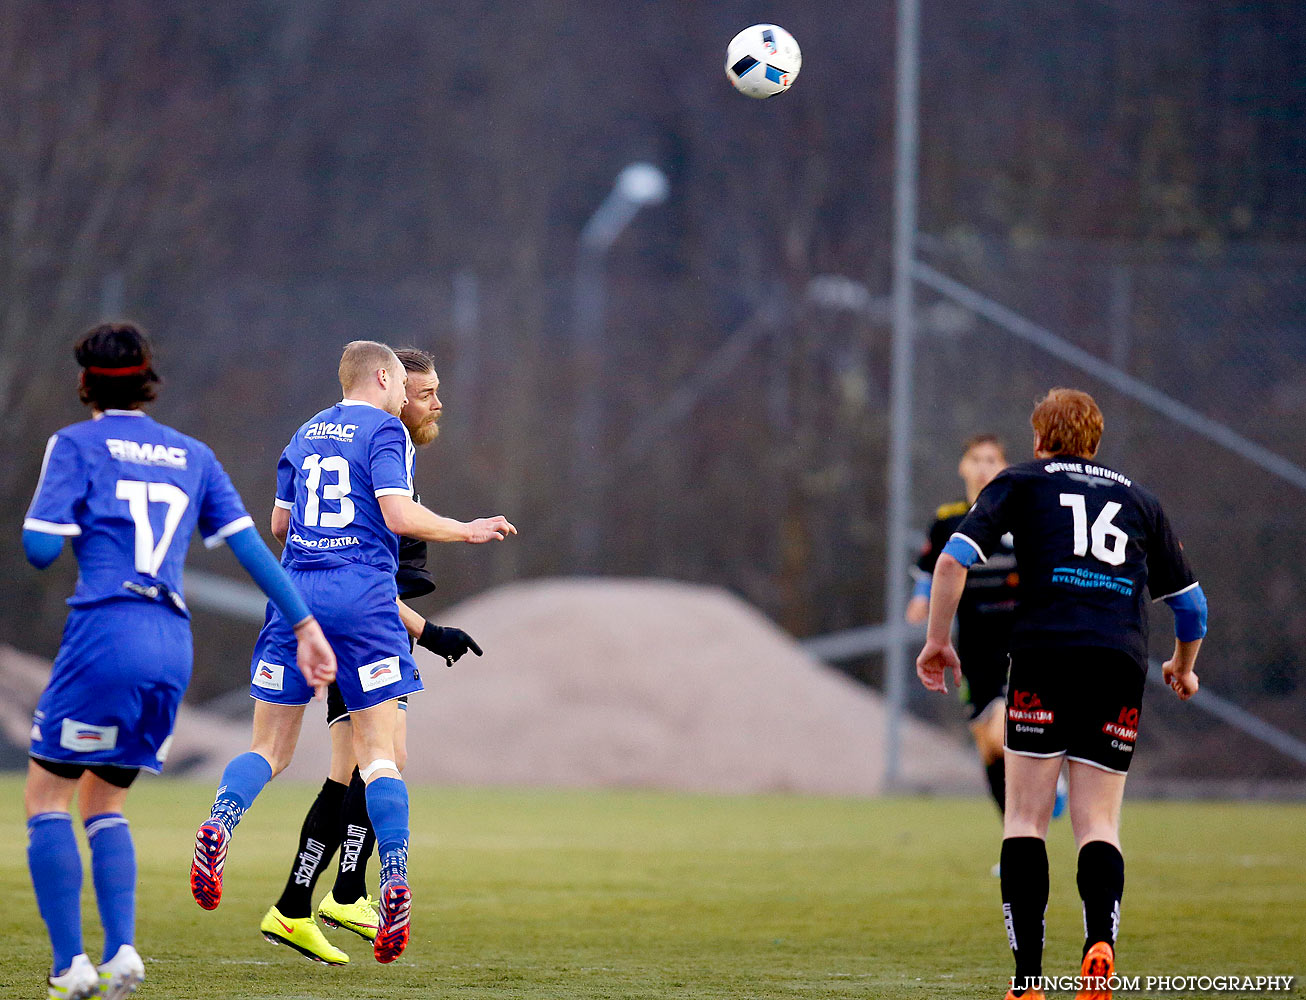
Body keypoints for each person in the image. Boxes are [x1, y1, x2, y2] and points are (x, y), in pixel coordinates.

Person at [21, 324, 336, 1000]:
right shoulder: (193, 454)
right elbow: (253, 549)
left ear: (85, 384)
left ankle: (70, 965)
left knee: (47, 795)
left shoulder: (76, 444)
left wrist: (76, 515)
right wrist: (306, 626)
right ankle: (125, 953)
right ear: (148, 381)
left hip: (105, 631)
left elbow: (39, 548)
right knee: (105, 800)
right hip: (170, 645)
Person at [190, 340, 515, 965]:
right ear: (386, 377)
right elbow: (397, 514)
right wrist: (469, 529)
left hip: (295, 596)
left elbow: (280, 527)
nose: (418, 403)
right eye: (414, 390)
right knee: (381, 758)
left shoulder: (304, 431)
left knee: (269, 749)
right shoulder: (384, 432)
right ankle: (387, 879)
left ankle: (221, 825)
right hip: (363, 602)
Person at [914, 388, 1206, 1000]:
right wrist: (1182, 666)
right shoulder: (1139, 499)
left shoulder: (1021, 481)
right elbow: (1192, 605)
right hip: (1117, 661)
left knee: (1023, 819)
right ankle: (1100, 942)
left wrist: (939, 641)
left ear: (1039, 438)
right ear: (1095, 440)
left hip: (1044, 657)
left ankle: (1027, 980)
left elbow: (949, 564)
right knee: (1098, 821)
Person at [259, 347, 483, 965]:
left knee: (362, 765)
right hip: (354, 625)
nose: (437, 403)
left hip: (346, 615)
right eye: (427, 392)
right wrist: (427, 630)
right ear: (393, 392)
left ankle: (320, 898)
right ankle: (314, 901)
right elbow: (364, 578)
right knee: (369, 762)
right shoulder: (381, 453)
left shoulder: (379, 456)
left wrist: (424, 629)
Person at [906, 433, 1017, 816]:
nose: (984, 466)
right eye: (977, 459)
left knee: (1005, 736)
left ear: (1004, 468)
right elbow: (929, 570)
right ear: (963, 466)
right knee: (988, 747)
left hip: (1017, 643)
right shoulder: (947, 519)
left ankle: (1047, 794)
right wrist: (921, 599)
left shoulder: (1019, 515)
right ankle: (1012, 834)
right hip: (971, 646)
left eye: (992, 459)